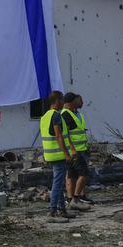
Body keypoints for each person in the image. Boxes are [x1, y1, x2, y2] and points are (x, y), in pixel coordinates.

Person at [39, 91, 76, 221]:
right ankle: (52, 211)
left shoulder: (45, 116)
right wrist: (67, 154)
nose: (63, 103)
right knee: (57, 183)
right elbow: (59, 136)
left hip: (49, 154)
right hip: (58, 155)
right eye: (61, 100)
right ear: (57, 101)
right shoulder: (56, 116)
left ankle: (62, 210)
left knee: (59, 183)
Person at [61, 93, 93, 209]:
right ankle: (75, 198)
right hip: (75, 151)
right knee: (83, 174)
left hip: (81, 149)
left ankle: (72, 199)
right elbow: (66, 134)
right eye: (79, 100)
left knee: (73, 175)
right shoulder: (65, 114)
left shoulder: (76, 113)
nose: (82, 103)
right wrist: (72, 149)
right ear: (71, 102)